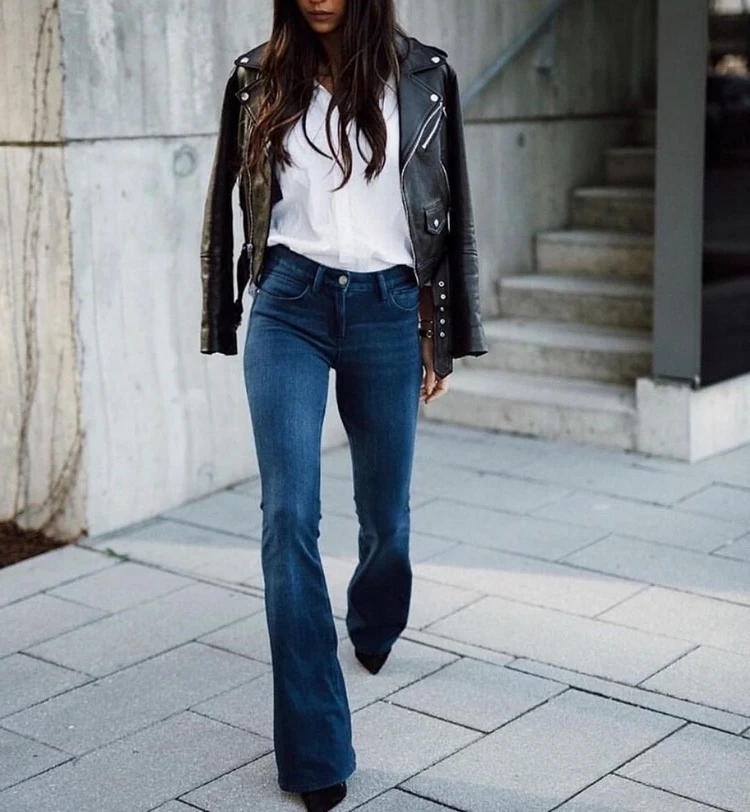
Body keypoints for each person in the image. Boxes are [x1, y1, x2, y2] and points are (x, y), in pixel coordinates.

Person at [199, 1, 487, 809]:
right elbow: (226, 201)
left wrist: (443, 336)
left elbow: (451, 212)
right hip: (289, 301)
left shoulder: (424, 76)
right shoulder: (257, 77)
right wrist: (221, 313)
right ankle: (316, 748)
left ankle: (375, 618)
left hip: (389, 310)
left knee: (386, 516)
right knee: (288, 516)